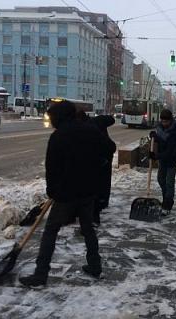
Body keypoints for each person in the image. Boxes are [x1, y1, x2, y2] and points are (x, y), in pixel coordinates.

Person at [19, 100, 115, 287]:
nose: (52, 121)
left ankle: (40, 275)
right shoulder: (90, 130)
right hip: (88, 190)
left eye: (52, 117)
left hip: (65, 193)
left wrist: (52, 191)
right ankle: (95, 265)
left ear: (59, 117)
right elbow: (110, 149)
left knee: (50, 231)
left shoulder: (58, 136)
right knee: (88, 229)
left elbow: (52, 168)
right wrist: (97, 167)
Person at [75, 108, 116, 227]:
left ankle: (98, 209)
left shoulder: (94, 124)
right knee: (99, 183)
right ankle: (99, 204)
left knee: (99, 183)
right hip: (98, 156)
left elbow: (111, 120)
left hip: (104, 156)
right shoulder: (92, 123)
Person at [149, 109, 176, 214]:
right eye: (162, 121)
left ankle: (168, 204)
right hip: (163, 160)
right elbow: (160, 140)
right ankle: (166, 197)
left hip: (172, 160)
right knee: (160, 179)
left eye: (166, 122)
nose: (164, 124)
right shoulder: (160, 128)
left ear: (170, 120)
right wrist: (154, 137)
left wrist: (156, 156)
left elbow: (170, 151)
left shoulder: (175, 131)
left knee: (169, 182)